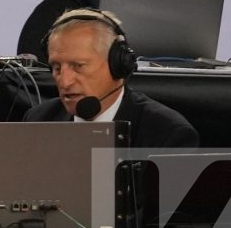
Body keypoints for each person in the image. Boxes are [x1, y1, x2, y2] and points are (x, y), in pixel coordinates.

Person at [22, 8, 199, 146]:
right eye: (57, 67)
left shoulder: (166, 133)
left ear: (118, 64)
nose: (65, 81)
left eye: (78, 66)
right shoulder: (38, 121)